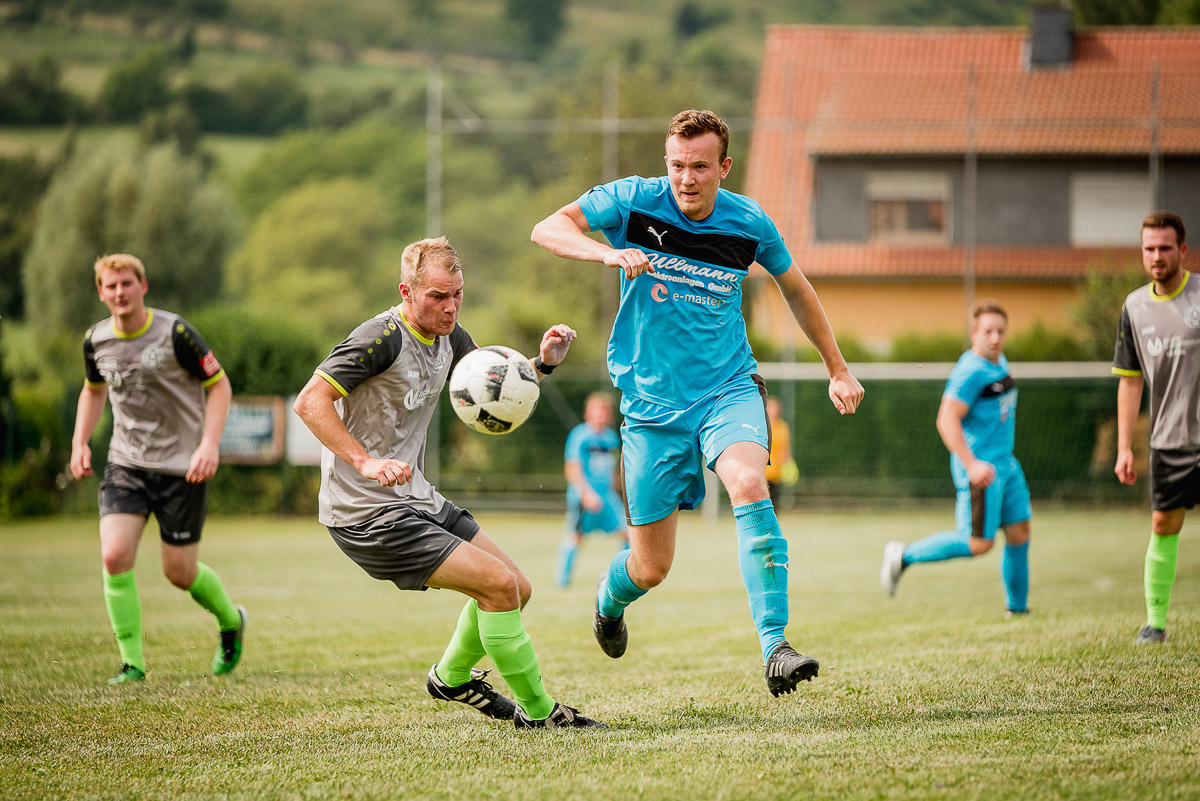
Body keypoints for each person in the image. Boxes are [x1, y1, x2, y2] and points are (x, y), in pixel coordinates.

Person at [531, 109, 864, 697]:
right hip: (651, 409)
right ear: (668, 163)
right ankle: (609, 603)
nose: (687, 178)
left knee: (747, 484)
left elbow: (796, 288)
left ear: (723, 168)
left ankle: (775, 646)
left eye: (700, 167)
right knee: (650, 568)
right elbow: (548, 228)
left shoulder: (749, 222)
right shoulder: (632, 201)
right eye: (678, 165)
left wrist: (836, 369)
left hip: (727, 389)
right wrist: (606, 253)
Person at [292, 236, 605, 729]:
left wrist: (541, 363)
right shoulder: (379, 338)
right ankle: (542, 714)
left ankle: (451, 678)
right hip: (365, 513)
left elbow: (494, 387)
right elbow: (309, 402)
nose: (451, 306)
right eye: (437, 296)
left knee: (517, 589)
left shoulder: (451, 337)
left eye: (457, 293)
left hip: (412, 495)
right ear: (407, 291)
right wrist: (365, 461)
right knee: (499, 588)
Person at [69, 253, 246, 685]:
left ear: (142, 286)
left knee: (179, 573)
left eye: (127, 283)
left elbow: (218, 384)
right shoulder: (96, 340)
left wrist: (208, 444)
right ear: (101, 292)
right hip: (126, 464)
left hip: (183, 469)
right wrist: (79, 442)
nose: (119, 293)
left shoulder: (176, 333)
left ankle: (230, 620)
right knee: (113, 555)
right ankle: (133, 663)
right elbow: (93, 390)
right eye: (110, 286)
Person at [879, 300, 1031, 618]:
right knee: (978, 543)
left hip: (1007, 464)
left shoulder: (999, 360)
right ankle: (904, 555)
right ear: (974, 332)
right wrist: (972, 464)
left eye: (1000, 331)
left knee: (1019, 531)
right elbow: (946, 419)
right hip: (982, 468)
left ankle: (1017, 611)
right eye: (988, 331)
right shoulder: (971, 371)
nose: (995, 338)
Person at [1112, 210, 1199, 646]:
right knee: (1163, 526)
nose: (1157, 255)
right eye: (1149, 248)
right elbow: (1129, 380)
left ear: (1182, 250)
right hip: (1169, 441)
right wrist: (1125, 446)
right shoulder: (1134, 305)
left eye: (1165, 247)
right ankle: (1155, 625)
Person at [557, 391, 628, 589]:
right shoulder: (580, 436)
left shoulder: (611, 438)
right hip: (584, 497)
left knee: (627, 533)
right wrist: (585, 494)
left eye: (604, 411)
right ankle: (563, 581)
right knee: (575, 537)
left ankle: (625, 578)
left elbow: (613, 469)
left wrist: (616, 493)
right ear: (587, 413)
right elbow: (572, 468)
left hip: (607, 497)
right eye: (596, 410)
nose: (600, 414)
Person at [763, 397, 797, 508]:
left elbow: (786, 447)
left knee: (774, 500)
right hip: (763, 469)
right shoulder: (763, 424)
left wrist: (789, 463)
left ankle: (773, 523)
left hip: (776, 470)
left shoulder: (783, 426)